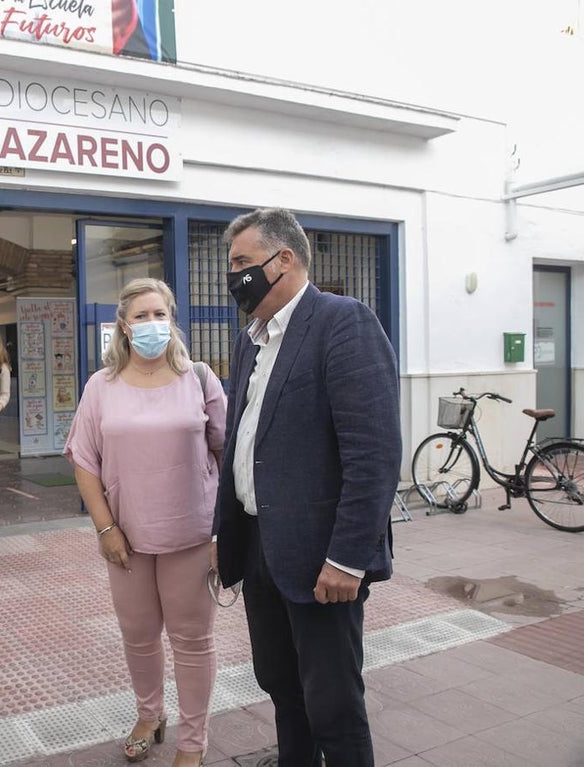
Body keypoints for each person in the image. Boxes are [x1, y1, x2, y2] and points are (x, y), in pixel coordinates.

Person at [212, 208, 400, 767]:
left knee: (333, 703)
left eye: (243, 262)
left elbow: (374, 455)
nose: (234, 277)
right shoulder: (251, 339)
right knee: (280, 685)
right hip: (260, 545)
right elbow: (242, 441)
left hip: (322, 559)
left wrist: (348, 558)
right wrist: (227, 535)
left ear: (284, 259)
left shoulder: (344, 322)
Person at [64, 277, 226, 767]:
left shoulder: (199, 378)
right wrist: (106, 528)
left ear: (172, 319)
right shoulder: (101, 386)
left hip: (192, 535)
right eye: (142, 316)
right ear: (123, 326)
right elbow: (84, 460)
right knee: (138, 634)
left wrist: (222, 533)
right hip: (126, 539)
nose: (152, 324)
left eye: (160, 314)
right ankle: (149, 713)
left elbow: (227, 452)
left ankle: (192, 743)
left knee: (192, 641)